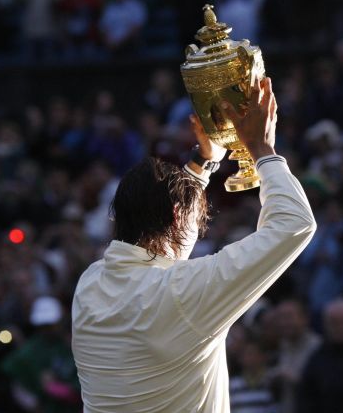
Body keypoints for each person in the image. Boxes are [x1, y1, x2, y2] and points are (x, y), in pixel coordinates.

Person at [71, 78, 317, 412]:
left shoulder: (90, 286)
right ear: (176, 215)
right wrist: (261, 149)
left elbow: (165, 260)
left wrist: (204, 161)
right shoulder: (180, 292)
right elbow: (295, 222)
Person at [1, 296, 80, 413]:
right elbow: (17, 382)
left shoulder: (72, 342)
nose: (47, 329)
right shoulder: (29, 350)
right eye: (43, 325)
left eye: (50, 324)